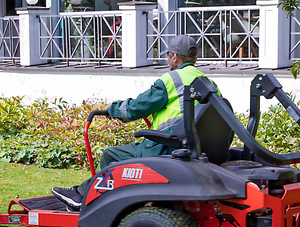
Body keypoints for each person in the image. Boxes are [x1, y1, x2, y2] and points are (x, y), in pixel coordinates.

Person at [52, 35, 212, 210]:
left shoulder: (171, 80)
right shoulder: (206, 81)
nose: (168, 60)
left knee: (110, 155)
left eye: (168, 56)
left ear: (174, 56)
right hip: (192, 147)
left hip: (165, 148)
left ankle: (86, 197)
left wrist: (113, 110)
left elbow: (137, 107)